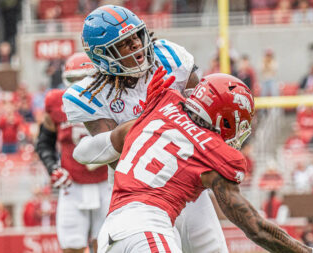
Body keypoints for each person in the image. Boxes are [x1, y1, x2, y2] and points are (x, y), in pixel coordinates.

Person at [96, 72, 313, 253]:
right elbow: (255, 227)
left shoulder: (164, 106)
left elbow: (92, 150)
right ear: (225, 118)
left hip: (110, 232)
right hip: (147, 231)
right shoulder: (212, 150)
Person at [62, 5, 227, 253]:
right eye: (124, 44)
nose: (136, 46)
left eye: (136, 37)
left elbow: (203, 119)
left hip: (188, 184)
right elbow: (118, 159)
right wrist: (152, 117)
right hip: (139, 196)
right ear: (103, 55)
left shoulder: (170, 58)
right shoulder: (92, 94)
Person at [36, 52, 111, 253]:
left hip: (107, 182)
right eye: (74, 80)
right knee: (71, 247)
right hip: (73, 184)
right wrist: (53, 168)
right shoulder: (56, 102)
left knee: (107, 246)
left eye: (84, 78)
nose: (79, 85)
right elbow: (44, 143)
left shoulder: (109, 99)